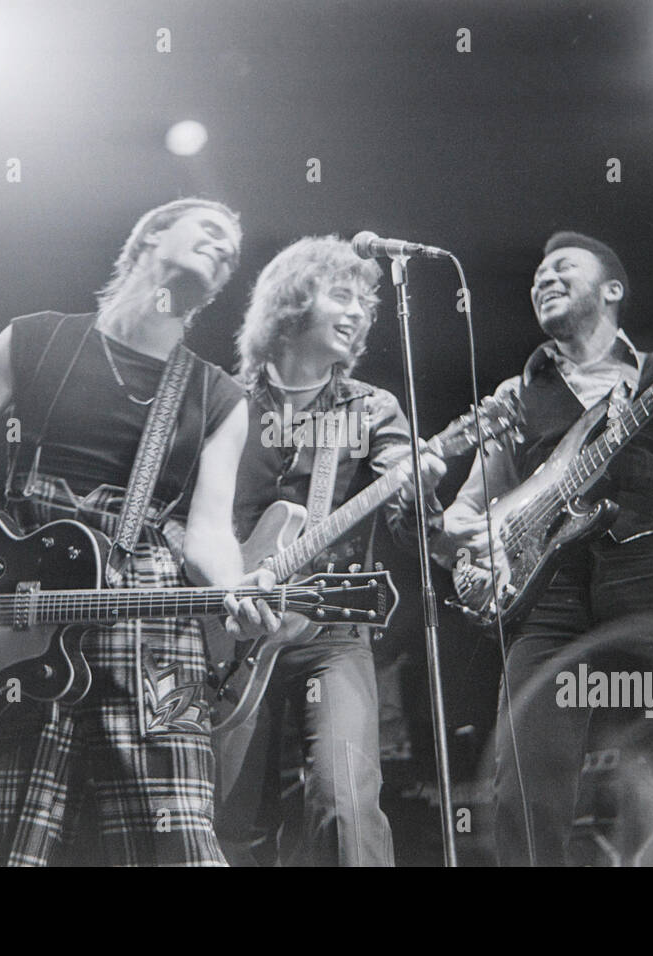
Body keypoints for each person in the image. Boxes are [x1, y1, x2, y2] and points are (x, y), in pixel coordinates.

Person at [0, 197, 278, 866]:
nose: (225, 248)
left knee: (185, 847)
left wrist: (235, 591)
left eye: (232, 250)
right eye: (211, 230)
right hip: (28, 607)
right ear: (154, 233)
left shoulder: (218, 395)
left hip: (156, 620)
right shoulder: (36, 338)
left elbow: (208, 536)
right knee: (3, 855)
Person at [433, 231, 653, 866]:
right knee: (526, 789)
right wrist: (471, 544)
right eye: (536, 274)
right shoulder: (514, 396)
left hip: (647, 572)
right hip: (544, 601)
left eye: (562, 267)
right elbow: (466, 510)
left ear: (612, 290)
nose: (543, 278)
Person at [215, 235, 444, 866]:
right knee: (224, 824)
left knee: (344, 807)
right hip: (229, 639)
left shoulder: (372, 410)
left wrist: (419, 487)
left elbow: (410, 520)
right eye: (341, 296)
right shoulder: (223, 405)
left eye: (366, 304)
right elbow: (179, 519)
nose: (359, 313)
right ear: (291, 304)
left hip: (332, 632)